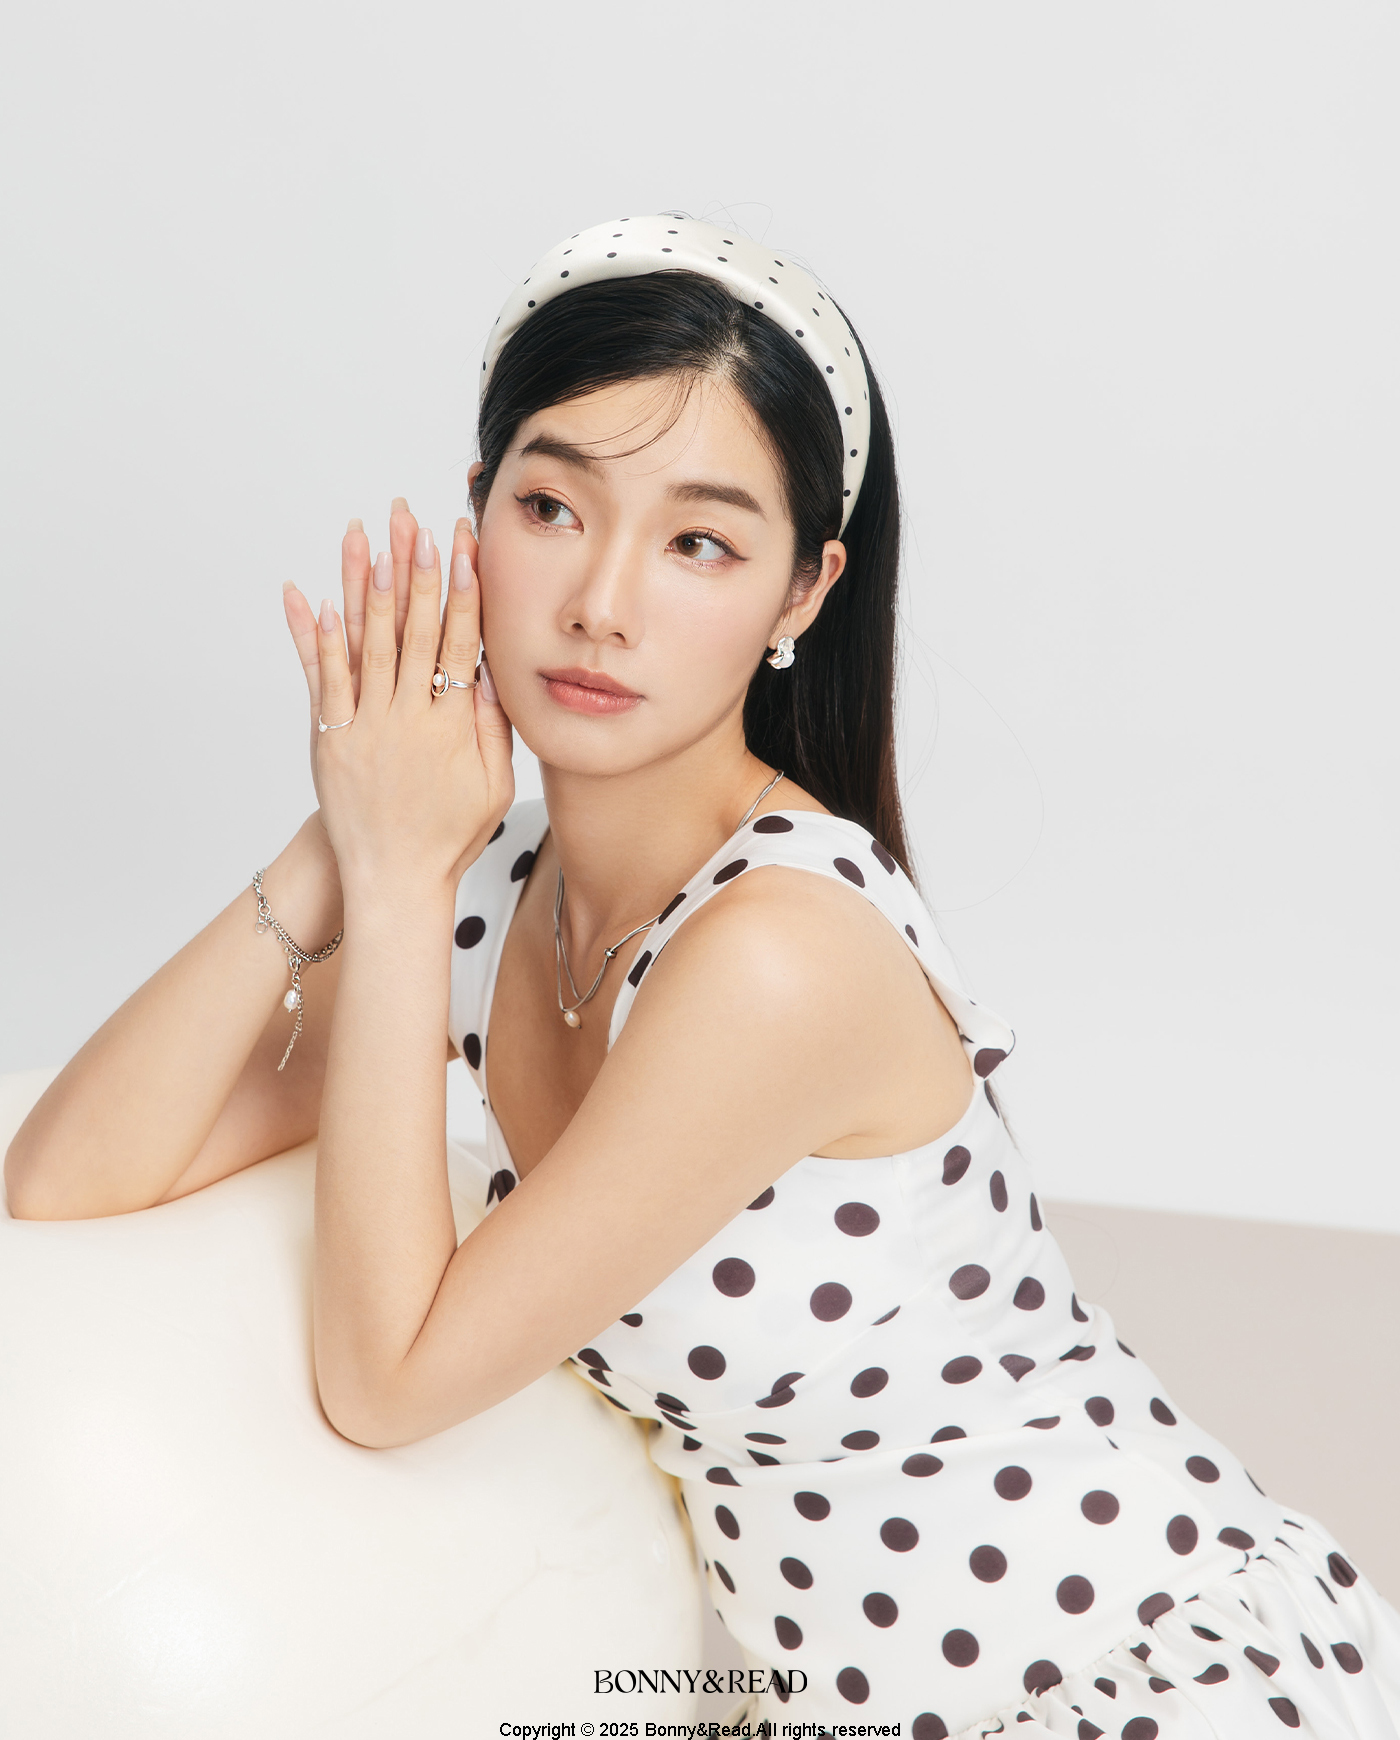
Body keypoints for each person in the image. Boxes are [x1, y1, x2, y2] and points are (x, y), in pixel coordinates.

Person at [6, 214, 1398, 1738]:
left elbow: (387, 1383)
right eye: (552, 508)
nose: (602, 601)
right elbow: (72, 1178)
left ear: (802, 593)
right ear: (476, 520)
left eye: (700, 544)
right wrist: (341, 831)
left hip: (1125, 1683)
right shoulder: (492, 895)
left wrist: (393, 879)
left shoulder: (779, 952)